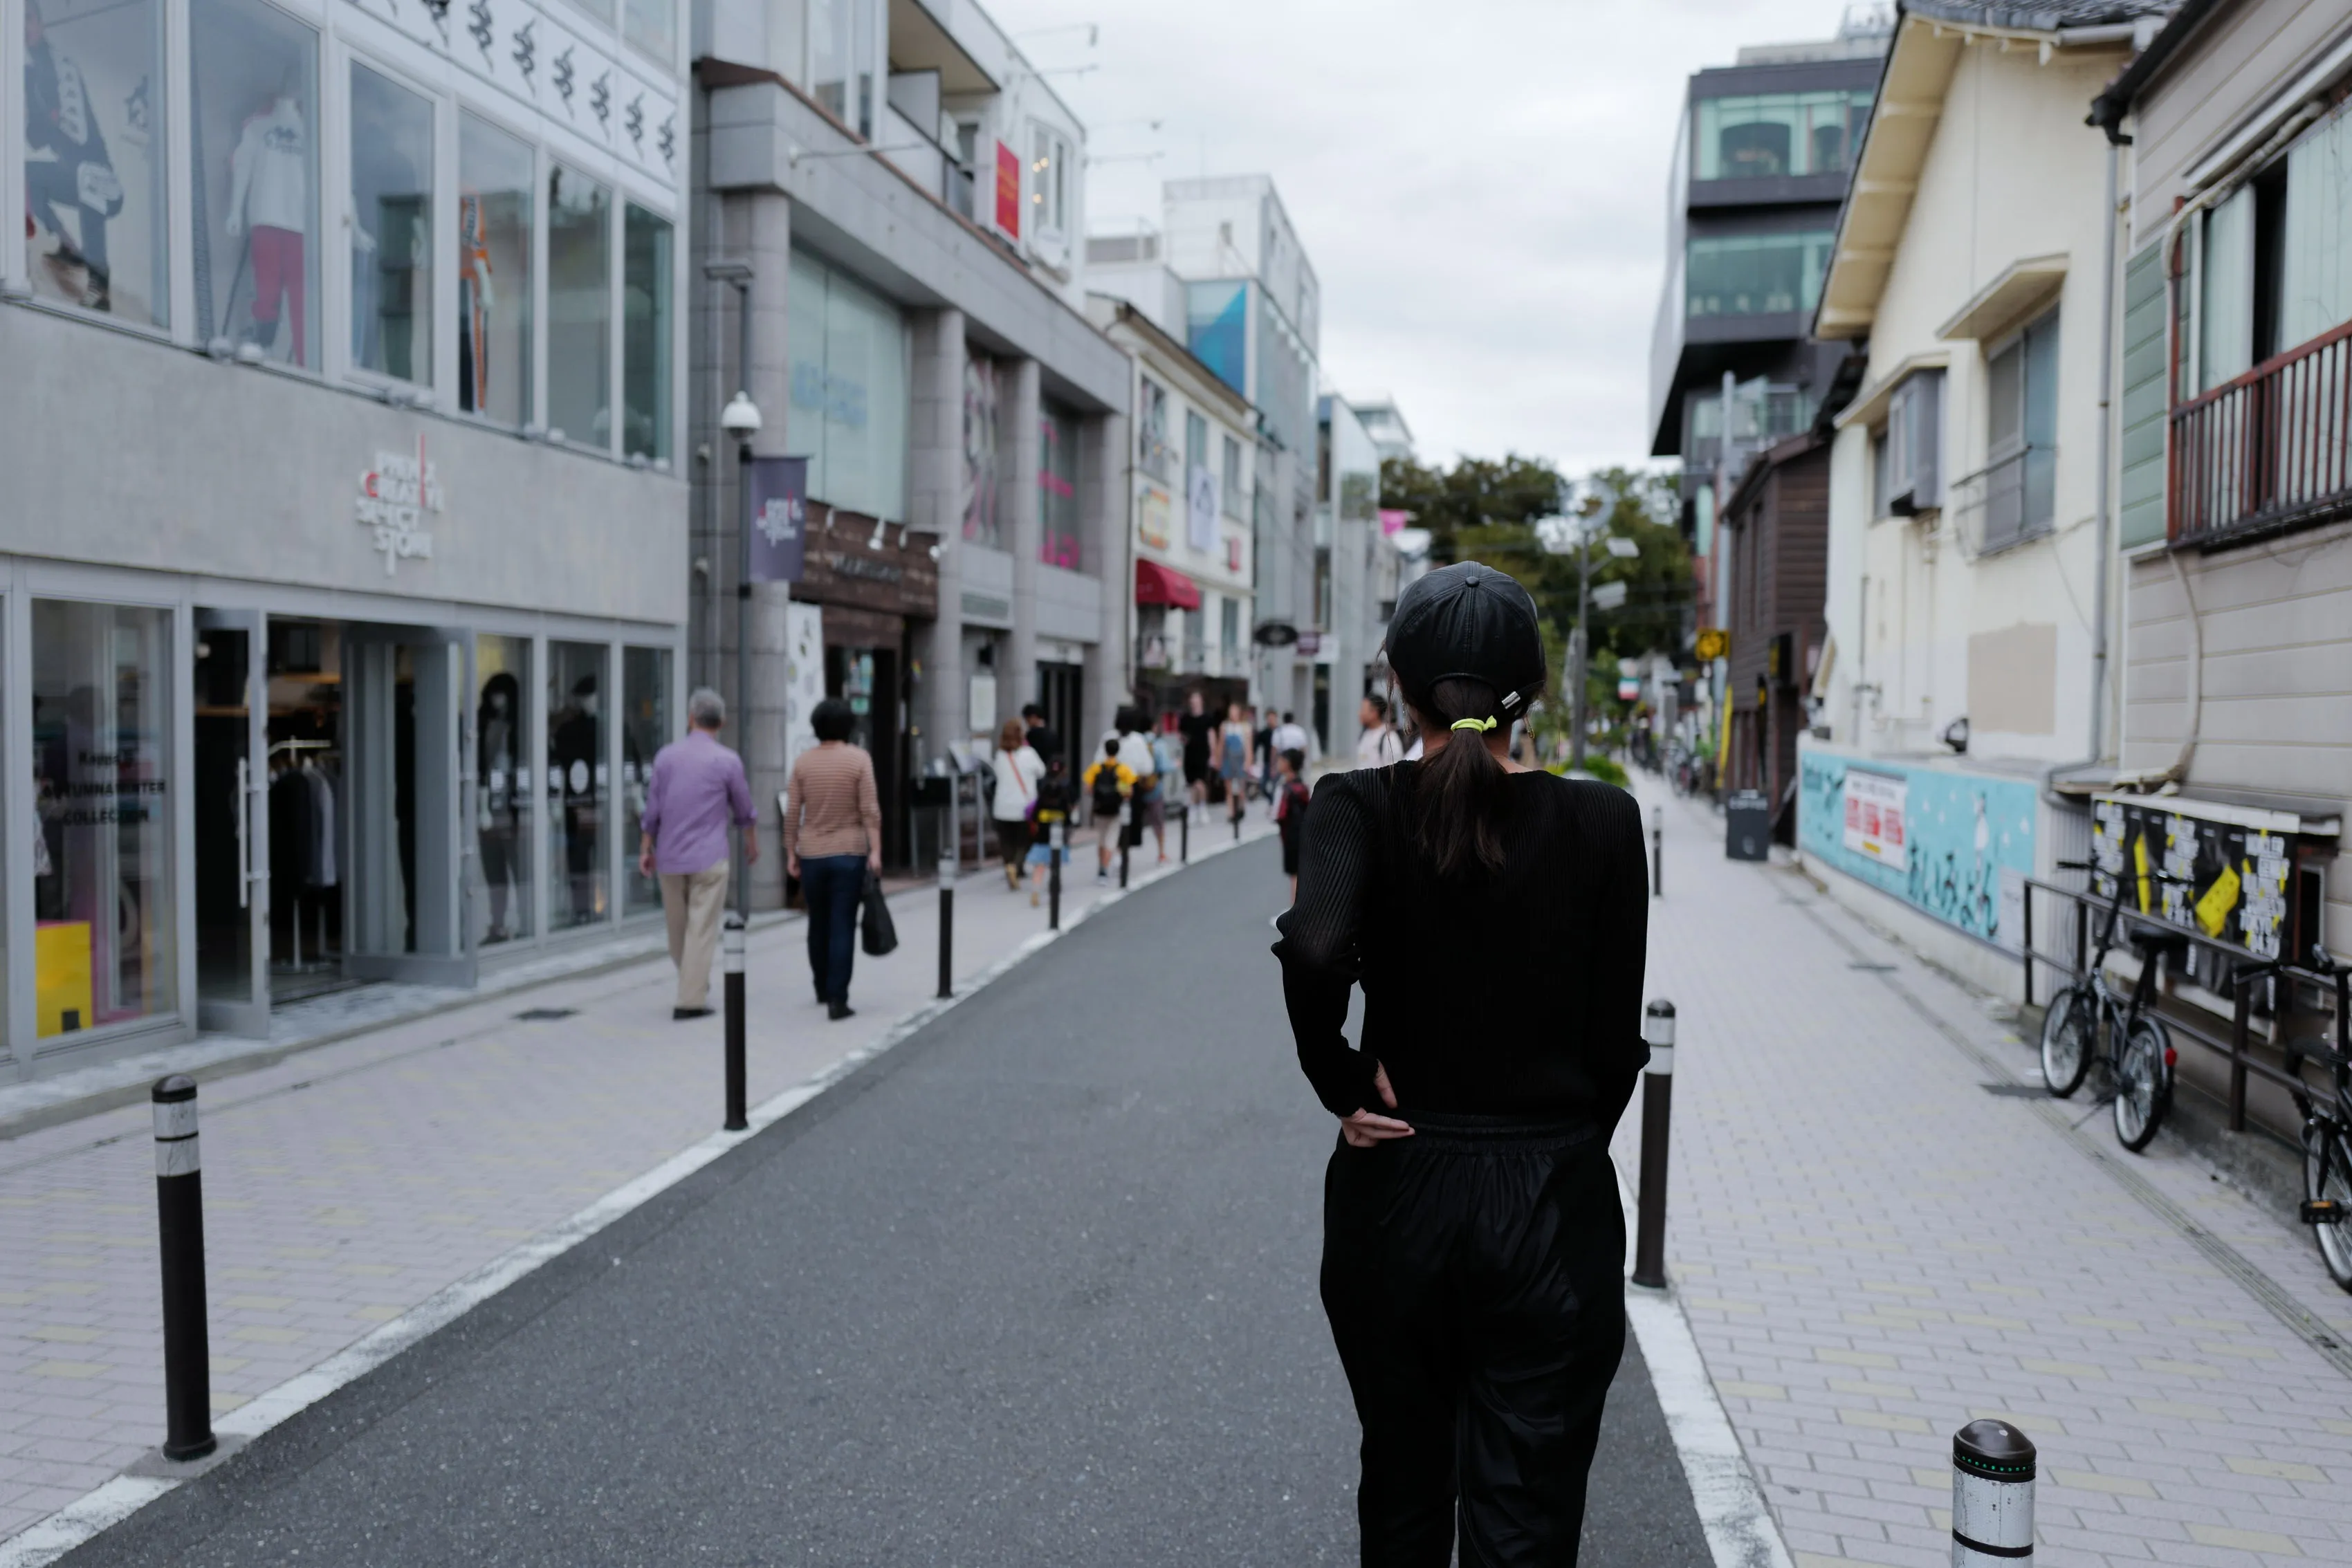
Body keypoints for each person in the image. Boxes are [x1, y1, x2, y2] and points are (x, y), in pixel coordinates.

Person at [1271, 560, 1649, 1565]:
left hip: (1396, 1184)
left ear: (1398, 682)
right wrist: (1559, 1142)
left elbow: (1313, 946)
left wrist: (1341, 1080)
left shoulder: (1354, 804)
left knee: (1402, 1481)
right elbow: (1615, 1042)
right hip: (1550, 1198)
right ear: (1529, 690)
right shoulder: (1606, 821)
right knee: (1524, 1510)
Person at [637, 688, 757, 1020]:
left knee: (678, 930)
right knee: (701, 930)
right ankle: (690, 1000)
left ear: (691, 719)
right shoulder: (728, 761)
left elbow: (653, 810)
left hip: (670, 858)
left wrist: (646, 848)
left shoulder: (666, 757)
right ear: (722, 722)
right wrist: (751, 841)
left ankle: (693, 985)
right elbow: (745, 809)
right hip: (710, 859)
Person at [783, 698, 883, 1021]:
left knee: (818, 922)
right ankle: (838, 999)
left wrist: (790, 852)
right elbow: (870, 811)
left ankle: (821, 988)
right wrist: (876, 850)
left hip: (812, 853)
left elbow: (793, 812)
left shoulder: (803, 763)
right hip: (849, 853)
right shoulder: (859, 760)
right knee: (842, 924)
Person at [989, 718, 1045, 892]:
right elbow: (1041, 771)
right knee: (1025, 841)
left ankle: (1009, 867)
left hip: (1002, 807)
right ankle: (1017, 866)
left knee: (1006, 842)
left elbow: (996, 776)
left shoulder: (999, 756)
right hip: (1024, 807)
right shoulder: (1029, 754)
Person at [1081, 735, 1137, 884]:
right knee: (1111, 841)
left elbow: (1088, 789)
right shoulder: (1123, 769)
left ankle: (1101, 867)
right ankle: (1104, 870)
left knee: (1101, 840)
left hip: (1099, 809)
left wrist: (1100, 793)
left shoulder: (1096, 768)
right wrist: (1118, 790)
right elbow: (1129, 792)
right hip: (1115, 810)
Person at [1025, 753, 1074, 906]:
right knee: (1056, 861)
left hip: (1043, 830)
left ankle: (1035, 889)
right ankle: (1055, 884)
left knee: (1040, 864)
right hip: (1058, 829)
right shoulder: (1066, 786)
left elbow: (1035, 812)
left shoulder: (1043, 786)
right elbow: (1068, 813)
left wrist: (1034, 823)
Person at [1273, 746, 1310, 903]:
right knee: (1302, 873)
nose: (1277, 763)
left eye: (1280, 760)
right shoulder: (1302, 786)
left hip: (1289, 836)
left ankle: (1294, 913)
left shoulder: (1285, 788)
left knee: (1294, 876)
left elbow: (1277, 814)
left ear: (1288, 764)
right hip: (1303, 834)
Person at [1177, 691, 1219, 818]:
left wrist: (1213, 754)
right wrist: (1184, 740)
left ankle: (1202, 806)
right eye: (1192, 701)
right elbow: (1180, 735)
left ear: (1201, 702)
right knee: (1192, 784)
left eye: (1197, 701)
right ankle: (1194, 808)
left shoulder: (1207, 718)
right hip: (1190, 754)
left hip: (1203, 753)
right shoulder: (1185, 718)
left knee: (1201, 783)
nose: (1194, 704)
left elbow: (1211, 736)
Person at [1218, 702, 1251, 832]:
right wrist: (1219, 759)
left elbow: (1248, 746)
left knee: (1241, 788)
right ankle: (1230, 812)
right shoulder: (1225, 726)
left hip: (1240, 758)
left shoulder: (1245, 727)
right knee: (1229, 788)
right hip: (1228, 758)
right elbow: (1221, 744)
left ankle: (1241, 808)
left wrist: (1248, 761)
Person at [1354, 693, 1404, 769]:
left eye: (1363, 709)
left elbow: (1395, 771)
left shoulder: (1390, 738)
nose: (1360, 713)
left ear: (1374, 712)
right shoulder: (1365, 734)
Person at [1021, 702, 1061, 777]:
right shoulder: (1053, 734)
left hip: (1036, 774)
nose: (1027, 723)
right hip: (1051, 774)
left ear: (1034, 717)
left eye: (1027, 719)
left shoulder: (1032, 735)